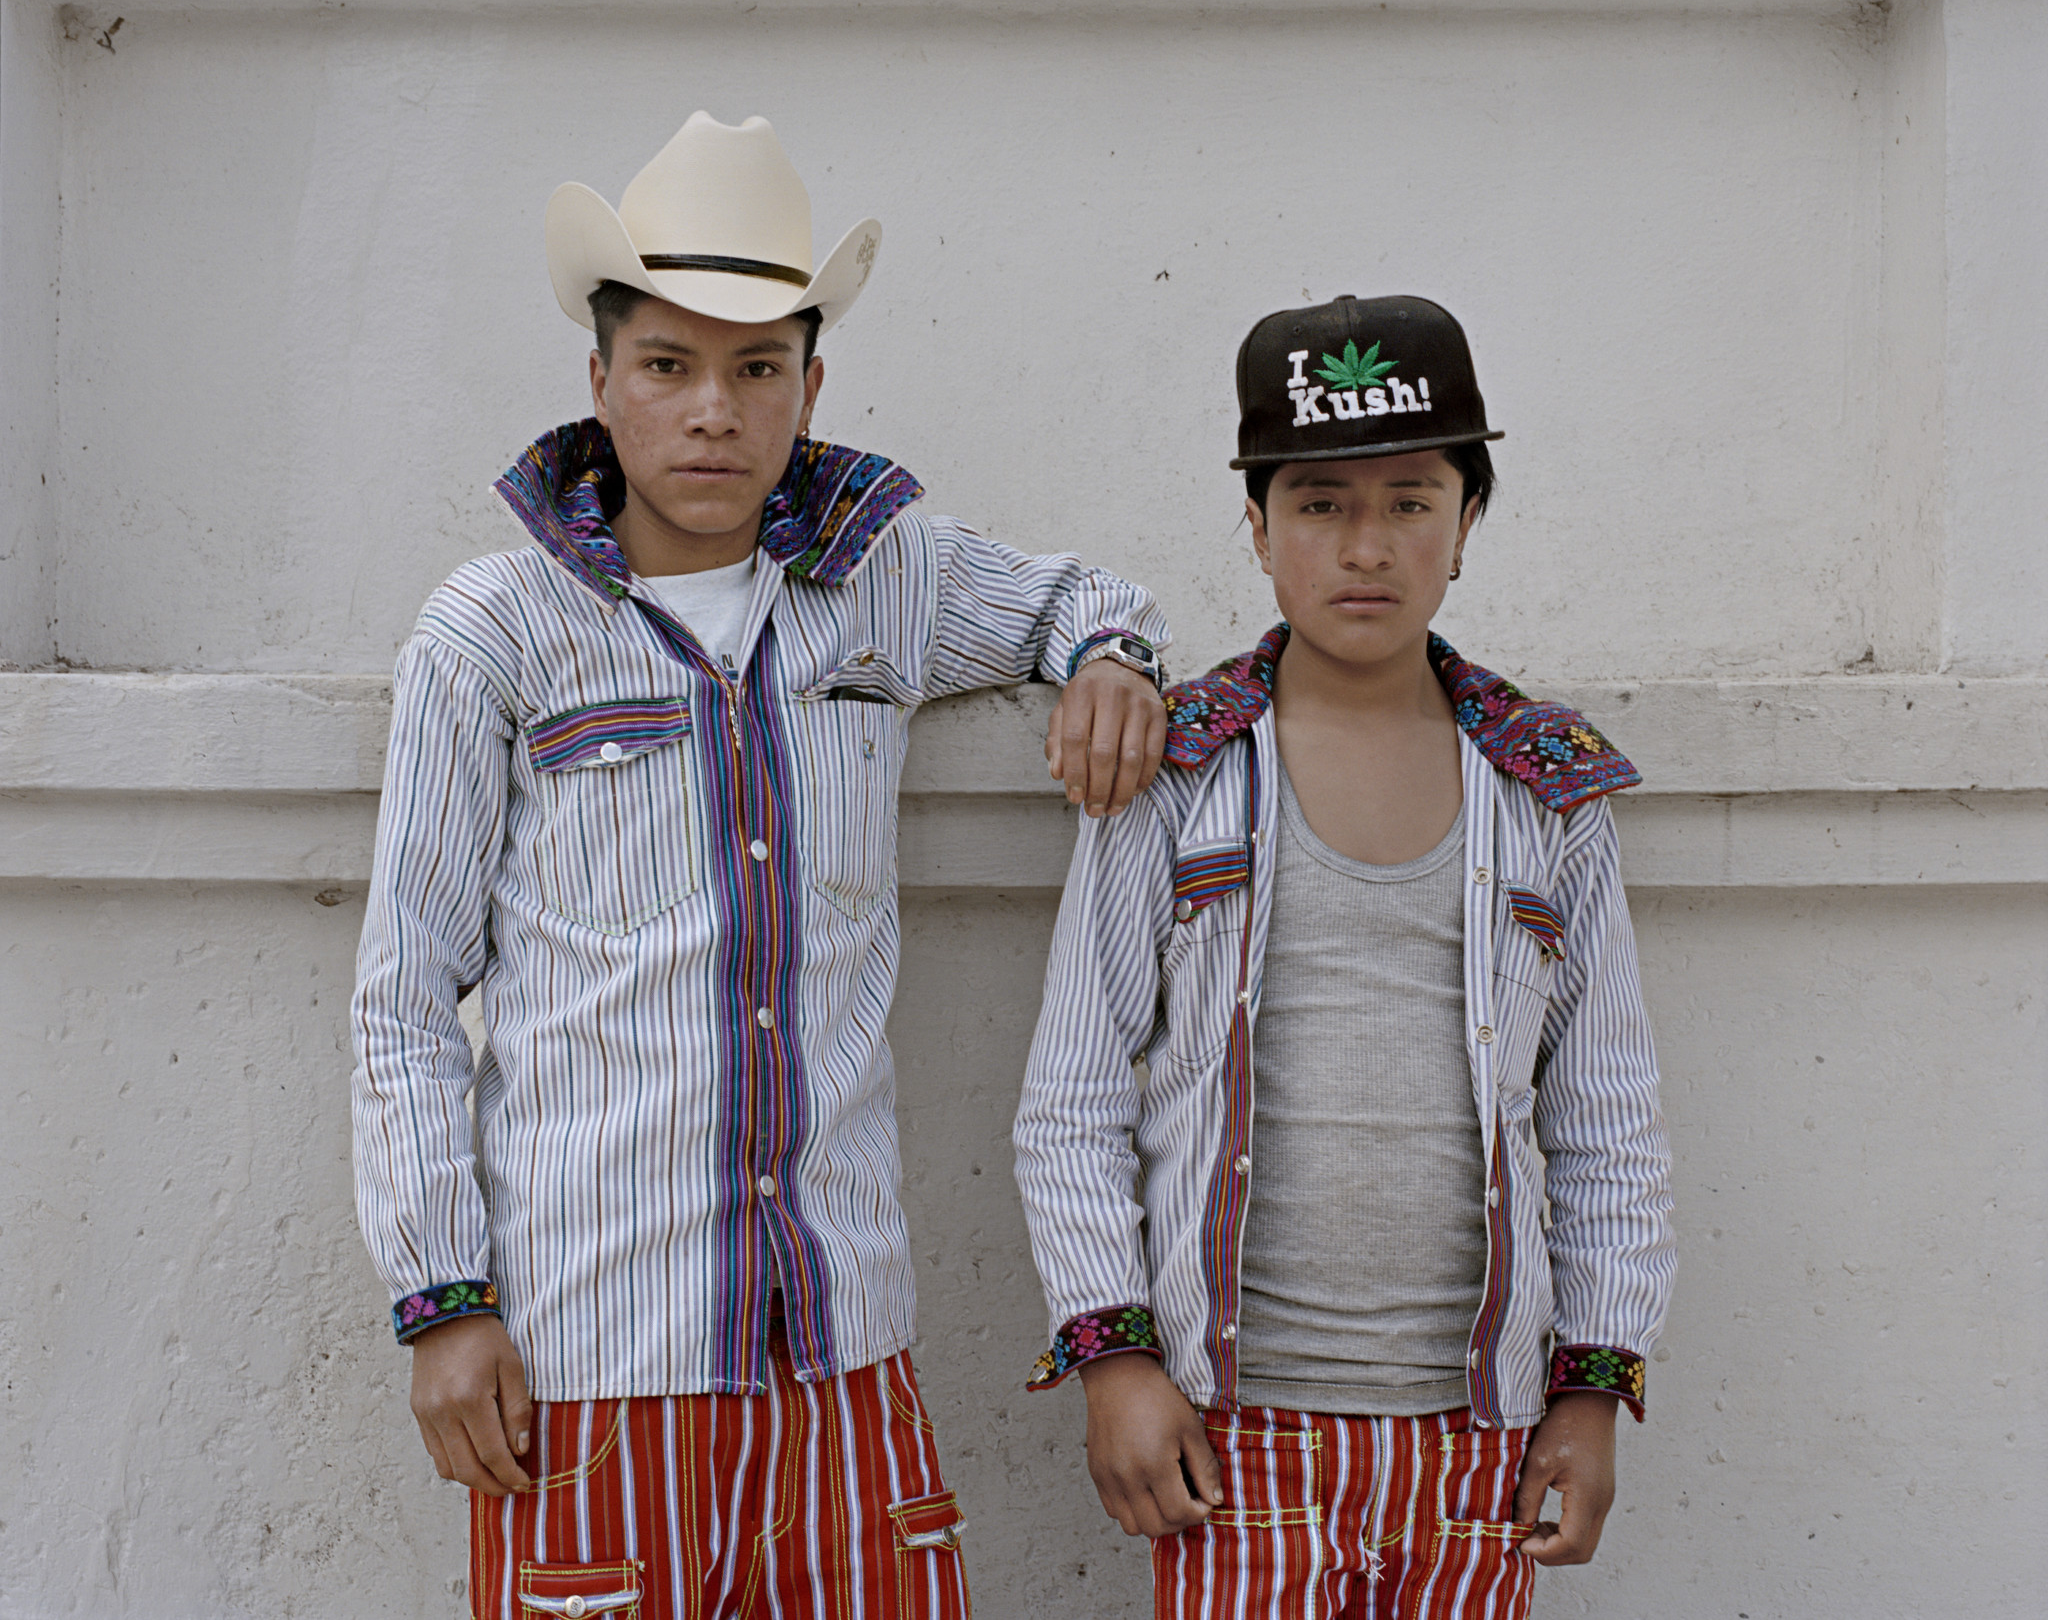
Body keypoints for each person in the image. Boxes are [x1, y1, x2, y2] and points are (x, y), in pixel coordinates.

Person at [351, 112, 1171, 1620]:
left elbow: (1080, 598)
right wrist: (441, 1300)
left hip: (845, 1353)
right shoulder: (495, 632)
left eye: (757, 369)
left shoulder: (883, 582)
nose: (712, 412)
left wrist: (1114, 660)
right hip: (593, 1364)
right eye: (668, 366)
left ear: (811, 386)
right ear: (601, 380)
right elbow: (405, 995)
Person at [1013, 295, 1674, 1618]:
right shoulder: (1175, 778)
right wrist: (1115, 1359)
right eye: (1319, 505)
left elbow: (1606, 1119)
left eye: (1411, 502)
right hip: (1232, 1433)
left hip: (1478, 1435)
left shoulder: (1547, 792)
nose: (1366, 547)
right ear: (1258, 529)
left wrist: (1594, 1385)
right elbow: (1071, 1099)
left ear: (1467, 523)